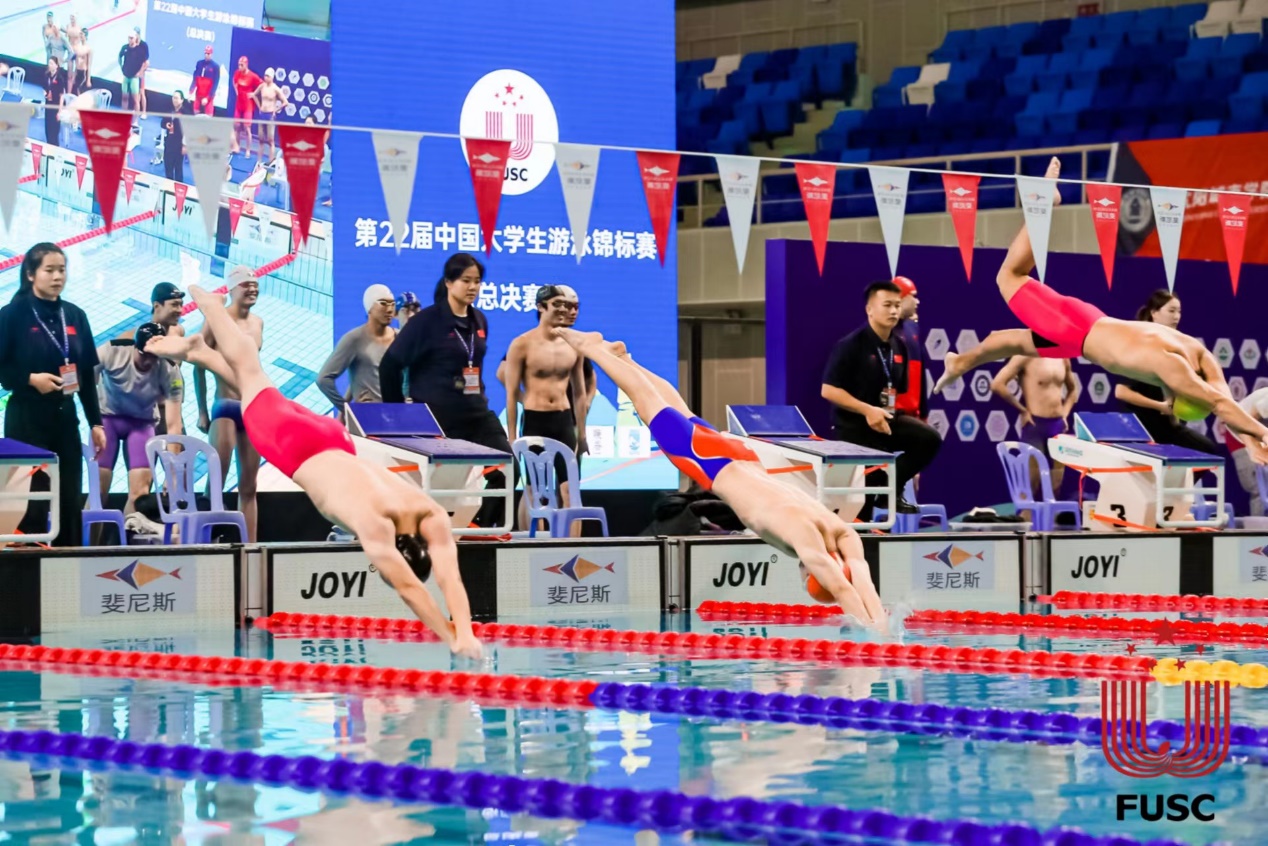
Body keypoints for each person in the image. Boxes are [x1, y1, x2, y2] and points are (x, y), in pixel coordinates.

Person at [146, 286, 482, 659]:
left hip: (334, 439)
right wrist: (453, 639)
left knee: (259, 387)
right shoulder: (373, 525)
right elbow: (410, 589)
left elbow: (449, 577)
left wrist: (465, 630)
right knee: (249, 369)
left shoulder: (426, 510)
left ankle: (201, 352)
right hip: (295, 449)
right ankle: (214, 311)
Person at [934, 157, 1268, 463]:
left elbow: (1226, 403)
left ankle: (960, 362)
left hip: (1084, 328)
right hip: (1075, 330)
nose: (1170, 395)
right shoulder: (1174, 368)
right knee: (1009, 277)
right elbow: (1218, 403)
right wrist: (1263, 433)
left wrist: (1251, 440)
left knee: (1011, 341)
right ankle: (1045, 204)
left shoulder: (1199, 354)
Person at [555, 328, 886, 627]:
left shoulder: (840, 529)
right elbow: (842, 588)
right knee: (649, 405)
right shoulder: (806, 540)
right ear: (812, 573)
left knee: (679, 410)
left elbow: (862, 581)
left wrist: (881, 624)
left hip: (743, 457)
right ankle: (592, 349)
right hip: (714, 467)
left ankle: (625, 359)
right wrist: (873, 637)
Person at [380, 253, 512, 528]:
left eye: (477, 281)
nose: (473, 287)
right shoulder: (425, 322)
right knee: (441, 493)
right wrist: (398, 415)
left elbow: (473, 365)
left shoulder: (479, 320)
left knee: (508, 469)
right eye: (466, 280)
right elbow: (390, 365)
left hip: (476, 414)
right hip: (438, 419)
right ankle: (431, 536)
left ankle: (478, 531)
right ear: (449, 282)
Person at [0, 243, 105, 547]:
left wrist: (95, 423)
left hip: (64, 416)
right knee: (30, 499)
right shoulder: (12, 315)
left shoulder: (75, 315)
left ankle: (68, 560)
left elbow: (85, 374)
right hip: (26, 417)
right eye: (50, 270)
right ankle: (27, 563)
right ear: (31, 274)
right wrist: (30, 379)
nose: (58, 276)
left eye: (62, 269)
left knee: (69, 496)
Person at [820, 280, 943, 515]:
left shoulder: (900, 346)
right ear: (870, 309)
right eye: (887, 305)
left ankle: (890, 488)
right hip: (854, 427)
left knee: (928, 439)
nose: (894, 311)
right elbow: (828, 390)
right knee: (864, 498)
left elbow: (897, 390)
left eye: (897, 305)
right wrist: (867, 410)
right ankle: (869, 510)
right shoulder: (851, 345)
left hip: (884, 421)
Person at [503, 285, 588, 529]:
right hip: (535, 420)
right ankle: (535, 543)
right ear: (541, 307)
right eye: (557, 304)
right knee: (535, 489)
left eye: (567, 305)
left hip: (563, 420)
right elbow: (510, 393)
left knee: (570, 489)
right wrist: (512, 436)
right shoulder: (522, 344)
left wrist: (581, 434)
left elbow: (579, 392)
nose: (563, 310)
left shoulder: (573, 344)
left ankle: (572, 545)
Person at [194, 266, 264, 541]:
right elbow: (198, 364)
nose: (252, 289)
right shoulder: (217, 321)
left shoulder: (258, 323)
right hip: (224, 405)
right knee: (216, 482)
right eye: (246, 284)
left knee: (249, 486)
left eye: (255, 284)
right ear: (232, 289)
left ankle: (251, 547)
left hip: (252, 408)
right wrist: (202, 410)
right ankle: (205, 542)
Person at [1114, 290, 1221, 456]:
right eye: (1171, 311)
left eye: (1179, 311)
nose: (1176, 316)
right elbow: (1121, 392)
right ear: (1154, 313)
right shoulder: (1142, 345)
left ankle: (1179, 475)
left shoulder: (1178, 345)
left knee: (1206, 449)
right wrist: (1160, 406)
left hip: (1167, 426)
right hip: (1139, 426)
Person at [96, 323, 182, 516]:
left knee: (139, 496)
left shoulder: (170, 370)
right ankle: (88, 537)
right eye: (144, 355)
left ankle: (130, 535)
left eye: (154, 356)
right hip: (108, 419)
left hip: (141, 424)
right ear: (135, 347)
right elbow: (84, 381)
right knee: (98, 494)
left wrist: (172, 473)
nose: (149, 362)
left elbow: (174, 425)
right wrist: (93, 422)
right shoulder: (111, 351)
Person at [990, 355, 1079, 498]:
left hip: (1057, 427)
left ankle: (1050, 514)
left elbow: (1073, 390)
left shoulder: (1062, 358)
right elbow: (997, 384)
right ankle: (1025, 513)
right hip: (1035, 426)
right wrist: (1022, 410)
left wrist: (1065, 414)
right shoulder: (1024, 356)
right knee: (1030, 485)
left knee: (1056, 486)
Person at [121, 282, 187, 438]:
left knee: (180, 454)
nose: (180, 310)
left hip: (172, 413)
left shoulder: (178, 332)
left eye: (181, 304)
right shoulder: (132, 338)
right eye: (174, 305)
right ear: (157, 305)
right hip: (144, 417)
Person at [318, 284, 396, 411]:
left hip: (398, 414)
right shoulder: (354, 339)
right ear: (369, 307)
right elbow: (323, 379)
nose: (390, 310)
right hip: (371, 416)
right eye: (383, 304)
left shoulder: (399, 336)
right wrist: (347, 409)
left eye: (392, 304)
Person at [1225, 388, 1268, 516]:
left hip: (1262, 433)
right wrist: (1252, 447)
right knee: (1260, 488)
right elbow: (1245, 420)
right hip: (1240, 433)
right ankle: (1261, 526)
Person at [891, 276, 926, 421]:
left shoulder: (913, 329)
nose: (917, 302)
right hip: (890, 415)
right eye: (913, 296)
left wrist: (923, 414)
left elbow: (921, 376)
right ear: (902, 298)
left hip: (912, 415)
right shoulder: (883, 331)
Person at [251, 70, 288, 162]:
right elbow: (254, 95)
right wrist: (259, 107)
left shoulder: (275, 89)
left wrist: (275, 110)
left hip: (270, 115)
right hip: (262, 114)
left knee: (270, 140)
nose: (265, 78)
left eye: (268, 76)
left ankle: (270, 161)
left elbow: (285, 102)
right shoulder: (262, 86)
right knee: (260, 139)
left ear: (272, 77)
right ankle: (259, 161)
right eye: (265, 76)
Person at [230, 57, 261, 158]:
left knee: (247, 128)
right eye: (239, 65)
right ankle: (236, 147)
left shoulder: (252, 76)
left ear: (246, 65)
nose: (239, 67)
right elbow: (234, 81)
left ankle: (248, 150)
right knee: (236, 126)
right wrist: (237, 91)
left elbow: (262, 85)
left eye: (241, 65)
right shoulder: (237, 73)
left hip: (248, 105)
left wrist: (254, 94)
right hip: (239, 104)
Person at [118, 28, 148, 119]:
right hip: (126, 76)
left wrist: (140, 73)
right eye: (129, 38)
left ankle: (136, 119)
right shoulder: (125, 47)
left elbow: (146, 63)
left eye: (132, 38)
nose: (130, 40)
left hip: (135, 78)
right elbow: (119, 57)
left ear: (136, 38)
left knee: (137, 99)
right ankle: (123, 117)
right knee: (124, 97)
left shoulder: (140, 49)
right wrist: (122, 68)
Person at [162, 91, 189, 183]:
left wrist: (185, 145)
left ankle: (178, 188)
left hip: (179, 144)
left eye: (177, 98)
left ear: (182, 100)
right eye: (173, 97)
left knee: (178, 168)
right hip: (169, 142)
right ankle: (168, 186)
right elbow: (162, 123)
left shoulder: (186, 114)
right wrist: (166, 125)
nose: (174, 100)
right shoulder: (169, 110)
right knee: (168, 165)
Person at [43, 57, 67, 145]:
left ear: (56, 66)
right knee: (48, 127)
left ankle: (55, 147)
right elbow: (44, 88)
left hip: (56, 106)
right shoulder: (47, 75)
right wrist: (45, 94)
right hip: (48, 104)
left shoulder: (60, 79)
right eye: (49, 63)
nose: (50, 65)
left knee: (54, 129)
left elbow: (62, 96)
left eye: (52, 63)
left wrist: (60, 111)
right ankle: (48, 144)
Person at [190, 44, 219, 116]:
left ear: (211, 54)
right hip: (199, 94)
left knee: (208, 115)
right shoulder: (199, 63)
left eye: (208, 54)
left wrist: (208, 97)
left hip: (208, 95)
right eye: (205, 53)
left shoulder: (215, 67)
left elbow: (215, 84)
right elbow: (195, 78)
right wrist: (191, 91)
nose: (206, 55)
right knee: (196, 112)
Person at [69, 25, 91, 96]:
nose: (81, 36)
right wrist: (74, 75)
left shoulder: (88, 49)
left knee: (79, 91)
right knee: (75, 91)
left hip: (83, 73)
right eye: (80, 34)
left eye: (82, 34)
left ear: (86, 36)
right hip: (77, 71)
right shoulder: (78, 47)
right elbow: (76, 62)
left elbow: (89, 65)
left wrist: (88, 80)